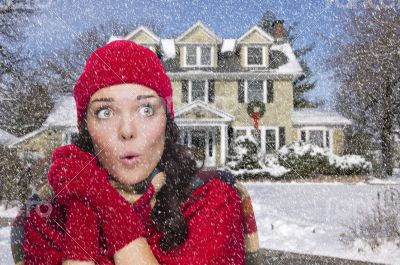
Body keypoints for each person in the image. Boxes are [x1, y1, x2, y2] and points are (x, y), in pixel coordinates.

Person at [11, 40, 261, 265]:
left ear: (167, 121)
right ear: (86, 129)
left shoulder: (213, 198)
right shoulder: (47, 216)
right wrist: (82, 207)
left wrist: (106, 204)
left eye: (146, 110)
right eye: (105, 112)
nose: (127, 131)